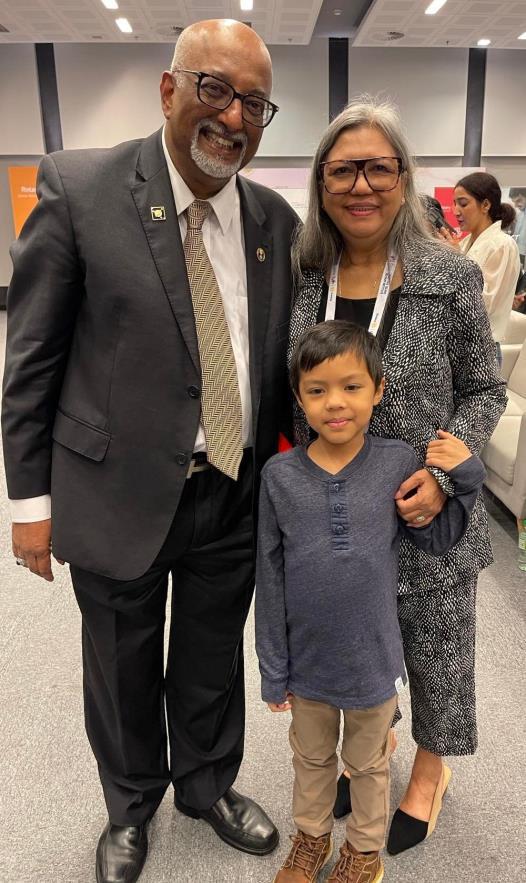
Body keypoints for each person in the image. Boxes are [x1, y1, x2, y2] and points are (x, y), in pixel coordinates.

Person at [1, 19, 299, 883]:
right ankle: (130, 802)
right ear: (169, 90)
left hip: (231, 486)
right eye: (215, 88)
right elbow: (32, 360)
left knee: (212, 655)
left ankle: (206, 784)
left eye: (254, 103)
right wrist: (29, 506)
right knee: (121, 661)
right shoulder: (80, 187)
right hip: (113, 489)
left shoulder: (273, 220)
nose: (233, 116)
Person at [288, 97, 507, 856]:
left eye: (379, 169)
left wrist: (446, 471)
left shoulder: (448, 275)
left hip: (423, 511)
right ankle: (367, 743)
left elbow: (485, 388)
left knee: (437, 646)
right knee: (352, 640)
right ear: (321, 181)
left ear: (405, 178)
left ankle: (431, 769)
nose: (361, 186)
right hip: (334, 515)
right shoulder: (304, 275)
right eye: (343, 169)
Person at [256, 320, 485, 883]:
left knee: (369, 764)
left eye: (352, 386)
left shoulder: (397, 462)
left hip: (373, 663)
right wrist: (272, 667)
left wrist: (465, 480)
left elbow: (434, 539)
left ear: (378, 390)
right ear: (300, 398)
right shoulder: (279, 477)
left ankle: (362, 853)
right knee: (311, 761)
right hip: (307, 665)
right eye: (317, 390)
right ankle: (311, 840)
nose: (335, 402)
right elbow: (270, 575)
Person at [440, 172, 521, 366]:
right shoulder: (465, 242)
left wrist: (456, 260)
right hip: (458, 347)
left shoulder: (502, 244)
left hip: (482, 350)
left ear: (485, 205)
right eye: (454, 204)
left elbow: (483, 304)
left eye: (463, 204)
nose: (456, 211)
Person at [509, 186, 526, 261]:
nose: (515, 205)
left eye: (519, 200)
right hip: (518, 254)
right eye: (514, 202)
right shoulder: (520, 215)